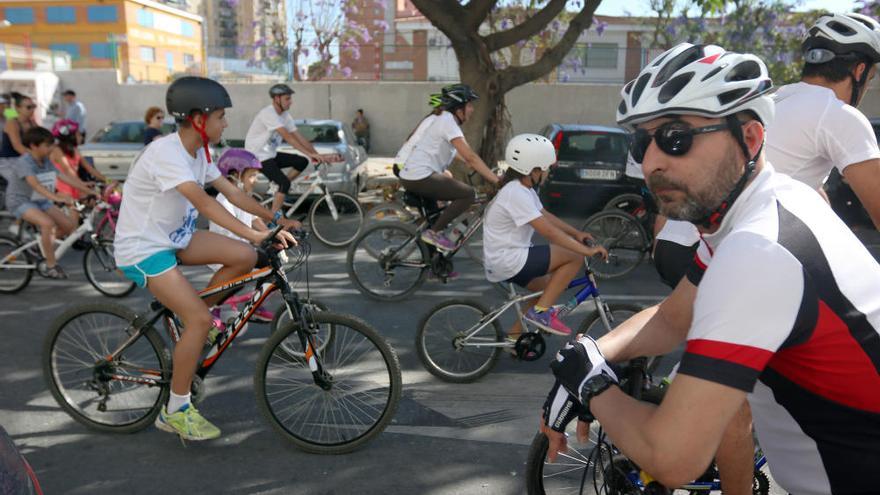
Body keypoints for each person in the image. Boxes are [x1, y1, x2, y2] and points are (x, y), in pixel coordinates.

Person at [540, 43, 880, 495]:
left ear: (751, 138)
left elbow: (673, 457)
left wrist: (592, 386)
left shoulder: (757, 252)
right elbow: (673, 316)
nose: (652, 162)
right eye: (642, 141)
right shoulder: (770, 205)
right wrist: (590, 353)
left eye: (676, 137)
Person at [113, 77, 298, 441]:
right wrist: (258, 233)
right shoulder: (167, 153)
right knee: (198, 318)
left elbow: (234, 194)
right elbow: (206, 203)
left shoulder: (200, 153)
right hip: (144, 248)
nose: (226, 123)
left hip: (175, 237)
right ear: (198, 118)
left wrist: (276, 220)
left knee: (244, 257)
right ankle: (175, 410)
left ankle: (199, 321)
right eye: (221, 116)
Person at [483, 134, 607, 338]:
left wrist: (577, 233)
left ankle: (515, 337)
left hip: (509, 256)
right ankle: (541, 313)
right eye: (546, 167)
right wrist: (586, 250)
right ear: (533, 169)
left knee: (546, 288)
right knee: (574, 257)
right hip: (509, 259)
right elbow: (548, 232)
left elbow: (545, 216)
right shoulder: (516, 194)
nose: (548, 172)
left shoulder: (523, 189)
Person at [766, 13, 880, 229]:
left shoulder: (777, 99)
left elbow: (807, 186)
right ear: (860, 71)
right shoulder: (837, 113)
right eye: (870, 79)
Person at [398, 83, 500, 251]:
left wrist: (476, 167)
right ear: (458, 108)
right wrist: (495, 180)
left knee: (434, 218)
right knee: (468, 194)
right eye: (469, 105)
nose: (472, 110)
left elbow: (465, 155)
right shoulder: (447, 122)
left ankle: (434, 266)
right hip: (420, 176)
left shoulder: (446, 121)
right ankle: (434, 233)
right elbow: (471, 157)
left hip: (416, 175)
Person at [208, 148, 274, 324]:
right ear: (235, 175)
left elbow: (255, 220)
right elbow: (233, 231)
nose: (255, 180)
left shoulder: (243, 197)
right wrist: (258, 237)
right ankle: (212, 312)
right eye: (252, 175)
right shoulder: (223, 200)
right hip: (224, 254)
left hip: (241, 250)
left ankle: (256, 303)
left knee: (269, 263)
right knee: (237, 279)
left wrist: (274, 232)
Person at [4, 127, 78, 279]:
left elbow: (62, 176)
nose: (51, 148)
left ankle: (44, 244)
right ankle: (51, 266)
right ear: (33, 146)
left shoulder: (45, 160)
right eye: (47, 145)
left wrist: (86, 187)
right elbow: (35, 184)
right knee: (47, 223)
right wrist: (57, 198)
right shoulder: (24, 162)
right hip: (19, 201)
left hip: (38, 200)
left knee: (69, 226)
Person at [244, 83, 324, 215]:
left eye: (290, 98)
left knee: (301, 161)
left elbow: (299, 137)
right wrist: (311, 154)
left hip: (270, 155)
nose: (290, 102)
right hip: (257, 157)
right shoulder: (268, 113)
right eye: (287, 99)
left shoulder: (285, 116)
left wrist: (316, 155)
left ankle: (278, 189)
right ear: (276, 99)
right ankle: (274, 219)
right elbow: (289, 138)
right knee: (285, 183)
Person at [392, 93, 443, 178]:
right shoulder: (435, 121)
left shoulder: (429, 118)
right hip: (404, 166)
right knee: (446, 176)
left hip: (399, 164)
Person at [0, 93, 37, 161]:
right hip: (9, 158)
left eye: (6, 104)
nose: (5, 106)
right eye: (3, 104)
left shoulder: (10, 113)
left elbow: (20, 116)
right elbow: (17, 146)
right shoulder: (11, 117)